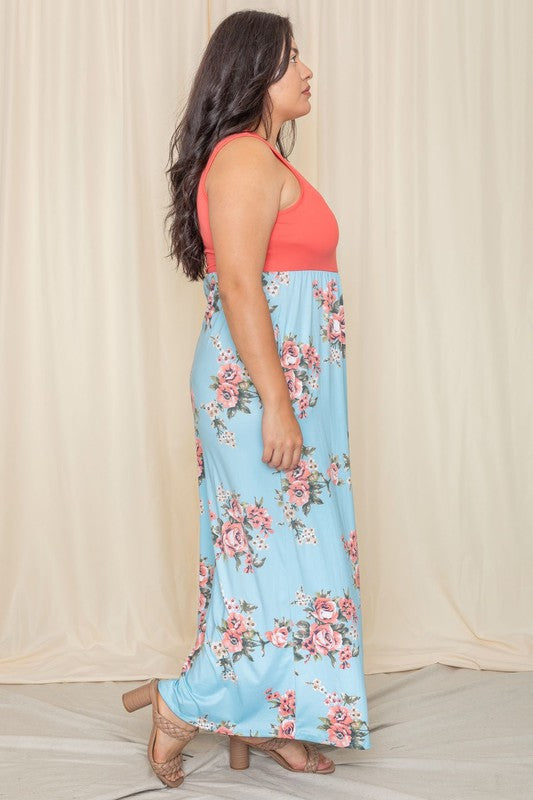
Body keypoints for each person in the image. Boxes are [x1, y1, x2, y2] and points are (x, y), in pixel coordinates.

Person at [122, 9, 371, 787]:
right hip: (259, 393)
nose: (306, 70)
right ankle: (182, 703)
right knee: (269, 563)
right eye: (291, 59)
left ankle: (266, 721)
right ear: (253, 72)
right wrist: (275, 402)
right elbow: (238, 285)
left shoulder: (261, 157)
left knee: (291, 564)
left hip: (290, 390)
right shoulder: (239, 160)